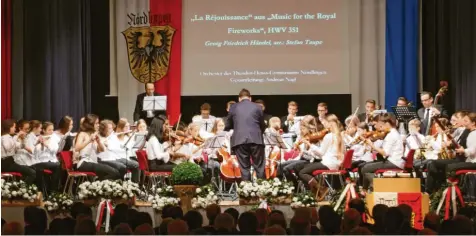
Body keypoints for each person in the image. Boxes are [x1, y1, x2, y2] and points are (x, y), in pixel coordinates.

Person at [225, 88, 266, 181]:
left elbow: (227, 125)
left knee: (245, 169)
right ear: (250, 98)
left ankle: (246, 193)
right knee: (259, 167)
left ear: (239, 98)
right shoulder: (258, 107)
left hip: (240, 140)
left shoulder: (233, 107)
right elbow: (262, 125)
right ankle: (263, 192)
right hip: (256, 140)